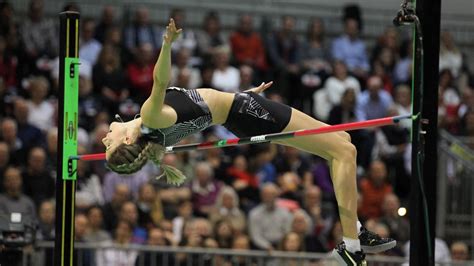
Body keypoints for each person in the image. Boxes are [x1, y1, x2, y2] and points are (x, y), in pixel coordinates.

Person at [101, 19, 396, 265]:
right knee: (344, 151)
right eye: (108, 144)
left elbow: (203, 108)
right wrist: (167, 45)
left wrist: (241, 95)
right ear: (128, 138)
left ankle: (353, 229)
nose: (104, 137)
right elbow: (161, 82)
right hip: (244, 112)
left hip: (241, 109)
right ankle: (351, 246)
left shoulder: (155, 134)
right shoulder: (150, 118)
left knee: (342, 140)